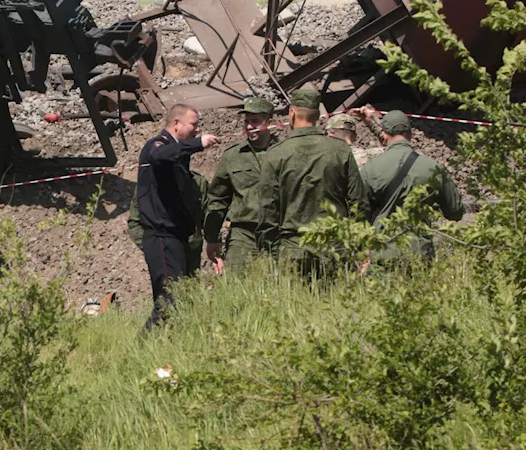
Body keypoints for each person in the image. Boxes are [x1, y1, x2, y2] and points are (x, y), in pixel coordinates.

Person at [257, 89, 368, 270]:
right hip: (335, 246)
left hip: (293, 249)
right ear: (317, 115)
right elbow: (358, 202)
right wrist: (360, 245)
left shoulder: (275, 154)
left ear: (292, 113)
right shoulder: (340, 150)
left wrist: (274, 251)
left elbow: (268, 209)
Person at [136, 104, 218, 328]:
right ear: (176, 124)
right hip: (161, 237)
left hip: (176, 238)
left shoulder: (177, 154)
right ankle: (141, 349)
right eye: (193, 124)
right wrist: (197, 143)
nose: (196, 129)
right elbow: (160, 156)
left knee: (178, 298)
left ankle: (165, 351)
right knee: (168, 300)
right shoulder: (157, 146)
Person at [357, 110, 464, 262]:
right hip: (420, 253)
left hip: (381, 253)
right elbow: (455, 211)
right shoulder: (432, 167)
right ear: (411, 133)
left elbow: (359, 214)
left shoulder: (370, 169)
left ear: (385, 134)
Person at [204, 96, 278, 270]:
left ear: (270, 122)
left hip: (279, 233)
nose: (249, 126)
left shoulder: (286, 152)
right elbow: (217, 198)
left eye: (255, 121)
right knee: (237, 285)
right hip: (243, 234)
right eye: (246, 121)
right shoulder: (232, 156)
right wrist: (212, 237)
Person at [127, 169, 211, 276]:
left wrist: (214, 241)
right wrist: (153, 247)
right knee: (168, 290)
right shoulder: (148, 184)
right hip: (164, 255)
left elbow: (209, 218)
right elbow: (134, 223)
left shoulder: (197, 182)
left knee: (191, 290)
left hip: (191, 252)